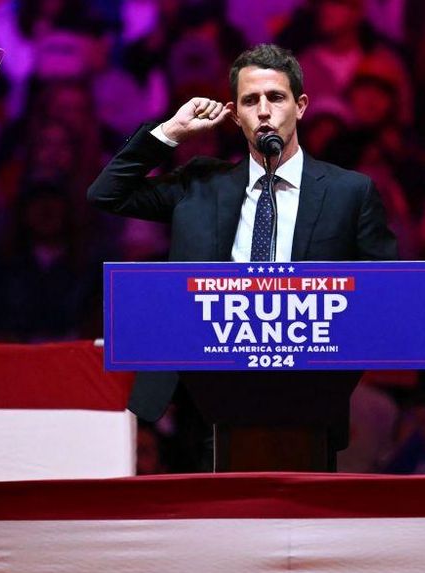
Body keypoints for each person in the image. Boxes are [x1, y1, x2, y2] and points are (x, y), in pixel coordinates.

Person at [87, 42, 396, 426]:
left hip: (308, 393)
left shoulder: (350, 192)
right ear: (234, 115)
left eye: (276, 97)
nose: (264, 111)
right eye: (250, 101)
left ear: (300, 106)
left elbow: (387, 296)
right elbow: (106, 193)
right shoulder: (199, 183)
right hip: (198, 395)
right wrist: (170, 132)